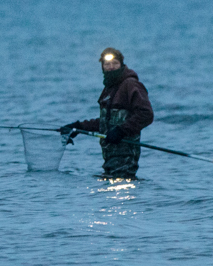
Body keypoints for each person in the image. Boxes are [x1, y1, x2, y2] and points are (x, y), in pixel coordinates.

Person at [61, 47, 154, 179]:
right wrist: (78, 127)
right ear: (102, 67)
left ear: (121, 64)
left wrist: (121, 131)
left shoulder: (131, 85)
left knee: (122, 185)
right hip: (109, 155)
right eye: (107, 64)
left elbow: (146, 114)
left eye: (115, 63)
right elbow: (106, 121)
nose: (111, 67)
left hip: (125, 153)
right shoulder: (108, 88)